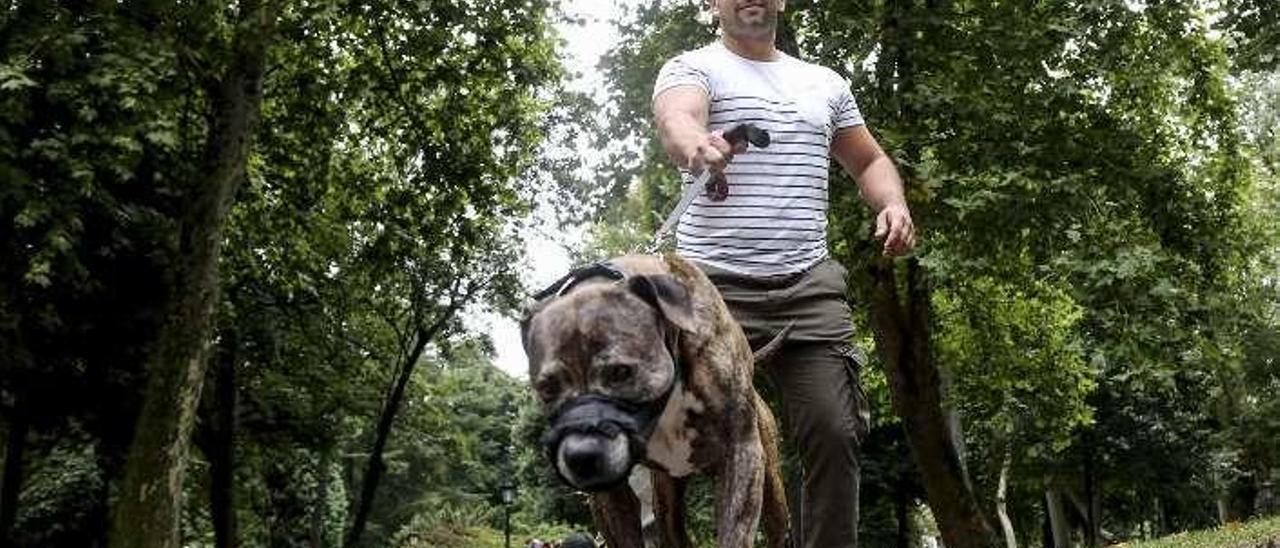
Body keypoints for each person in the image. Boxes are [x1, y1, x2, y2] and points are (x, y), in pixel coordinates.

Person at [651, 1, 916, 547]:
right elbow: (678, 118)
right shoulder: (692, 67)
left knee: (835, 431)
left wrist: (893, 205)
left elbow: (869, 161)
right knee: (679, 439)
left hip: (807, 286)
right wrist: (694, 143)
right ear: (711, 4)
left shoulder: (824, 83)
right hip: (712, 291)